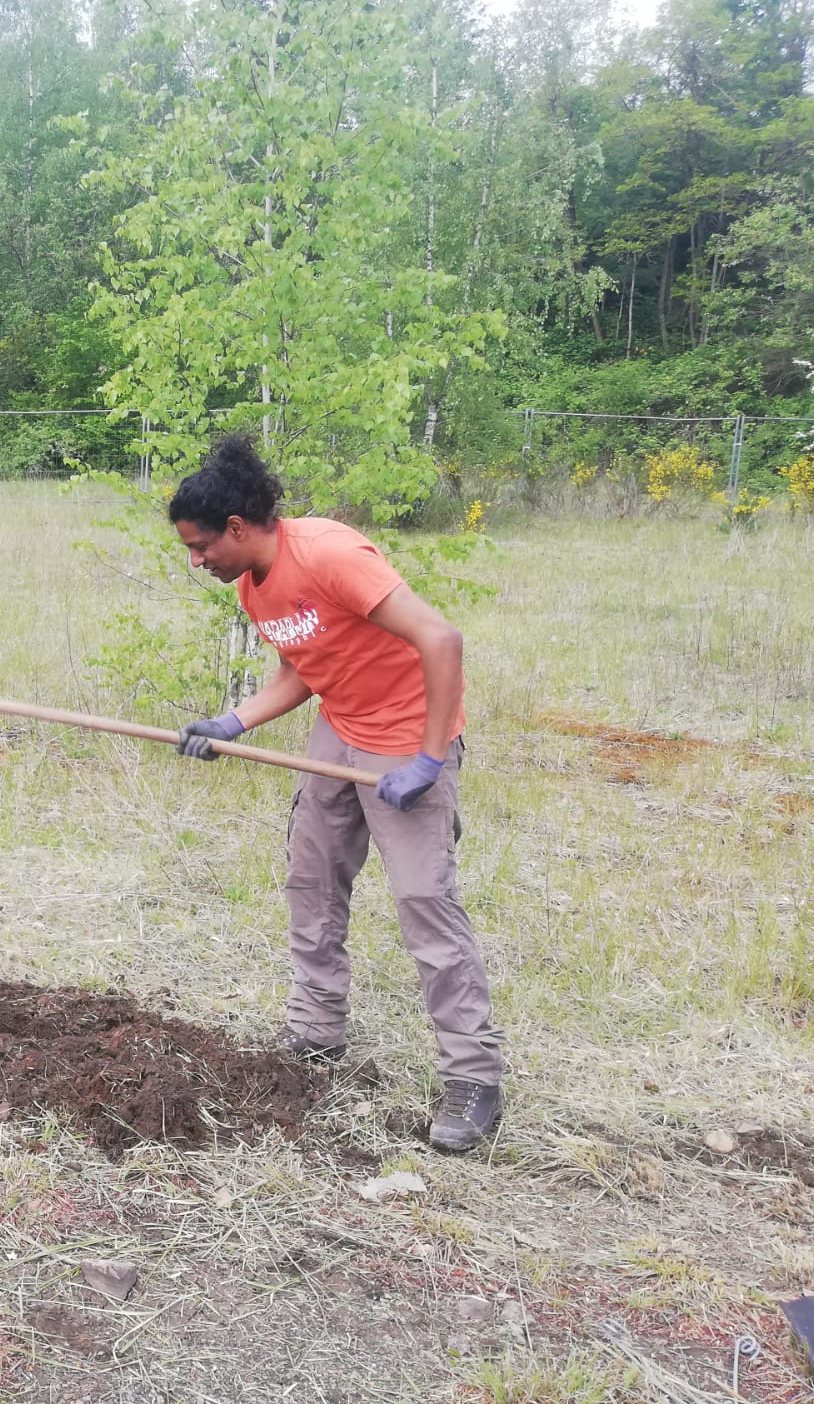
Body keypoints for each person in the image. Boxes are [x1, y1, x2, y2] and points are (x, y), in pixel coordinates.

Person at [168, 433, 506, 1152]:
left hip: (411, 738)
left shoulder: (326, 554)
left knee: (423, 901)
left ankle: (473, 1077)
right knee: (311, 877)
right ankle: (316, 1030)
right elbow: (305, 666)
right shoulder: (256, 584)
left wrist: (428, 756)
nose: (195, 562)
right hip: (339, 729)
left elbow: (440, 640)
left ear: (236, 527)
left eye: (200, 548)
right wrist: (235, 719)